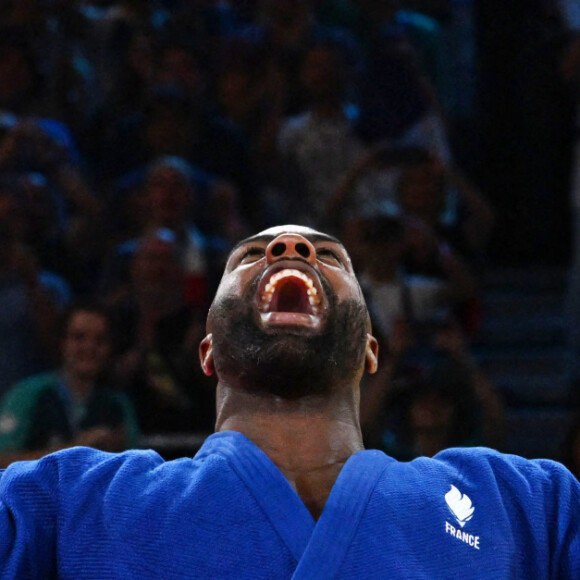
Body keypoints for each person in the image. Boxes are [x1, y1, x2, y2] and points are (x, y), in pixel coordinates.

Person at [0, 225, 579, 579]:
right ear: (209, 351)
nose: (291, 246)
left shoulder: (525, 506)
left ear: (370, 351)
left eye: (330, 257)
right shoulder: (68, 500)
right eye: (250, 256)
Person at [0, 303, 139, 469]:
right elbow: (3, 460)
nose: (89, 347)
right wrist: (74, 450)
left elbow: (135, 468)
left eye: (100, 340)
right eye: (79, 337)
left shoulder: (117, 404)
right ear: (62, 342)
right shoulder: (28, 394)